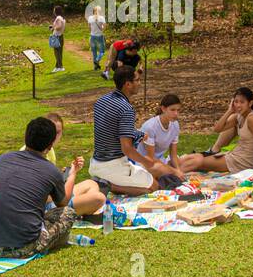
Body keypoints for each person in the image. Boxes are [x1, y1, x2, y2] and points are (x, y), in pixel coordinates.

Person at [0, 118, 82, 258]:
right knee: (67, 213)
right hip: (22, 246)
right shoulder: (51, 170)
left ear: (26, 138)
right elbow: (62, 203)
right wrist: (72, 174)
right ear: (50, 146)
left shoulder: (2, 159)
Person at [89, 66, 170, 195]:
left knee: (148, 182)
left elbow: (111, 128)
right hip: (112, 166)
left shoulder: (101, 101)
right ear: (127, 84)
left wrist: (138, 134)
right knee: (153, 188)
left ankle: (107, 182)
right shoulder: (126, 108)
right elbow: (126, 149)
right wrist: (146, 162)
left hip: (96, 162)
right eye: (137, 80)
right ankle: (110, 186)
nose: (139, 83)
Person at [178, 87, 253, 175]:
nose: (238, 105)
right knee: (196, 157)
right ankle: (173, 165)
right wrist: (229, 111)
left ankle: (175, 173)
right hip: (233, 155)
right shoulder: (238, 116)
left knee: (199, 161)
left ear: (250, 103)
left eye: (242, 102)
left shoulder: (252, 119)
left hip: (242, 162)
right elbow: (217, 129)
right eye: (236, 102)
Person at [29, 112, 107, 216]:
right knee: (99, 198)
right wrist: (72, 174)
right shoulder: (35, 155)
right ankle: (82, 211)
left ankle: (84, 209)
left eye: (57, 132)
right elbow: (59, 200)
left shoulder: (49, 150)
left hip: (54, 198)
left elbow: (49, 180)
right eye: (51, 132)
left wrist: (63, 174)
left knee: (91, 183)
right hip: (45, 206)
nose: (54, 136)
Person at [140, 94, 182, 167]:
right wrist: (174, 171)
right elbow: (150, 158)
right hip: (144, 163)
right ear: (163, 109)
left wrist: (178, 170)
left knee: (196, 159)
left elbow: (173, 155)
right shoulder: (150, 127)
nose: (176, 113)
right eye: (172, 110)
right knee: (163, 169)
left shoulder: (175, 124)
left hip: (161, 161)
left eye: (178, 110)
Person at [86, 5, 108, 70]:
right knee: (102, 51)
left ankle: (95, 66)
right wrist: (102, 29)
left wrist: (92, 31)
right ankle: (97, 60)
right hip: (100, 36)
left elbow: (89, 27)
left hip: (92, 36)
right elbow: (105, 27)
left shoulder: (90, 18)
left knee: (94, 51)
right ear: (99, 11)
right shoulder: (101, 18)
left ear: (93, 11)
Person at [49, 5, 66, 73]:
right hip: (60, 36)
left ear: (56, 11)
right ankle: (57, 67)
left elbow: (59, 26)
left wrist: (53, 28)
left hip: (57, 36)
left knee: (57, 52)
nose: (53, 11)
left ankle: (60, 67)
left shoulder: (58, 18)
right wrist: (53, 27)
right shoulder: (62, 18)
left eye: (54, 10)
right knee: (59, 52)